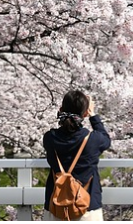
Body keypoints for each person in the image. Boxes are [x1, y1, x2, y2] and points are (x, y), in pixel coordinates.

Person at [43, 90, 111, 221]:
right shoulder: (93, 140)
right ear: (85, 113)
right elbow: (106, 139)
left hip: (56, 208)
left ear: (61, 109)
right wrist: (93, 116)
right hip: (87, 208)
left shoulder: (49, 138)